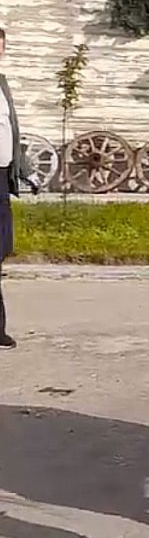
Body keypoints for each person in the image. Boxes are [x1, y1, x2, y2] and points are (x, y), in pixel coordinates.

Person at [0, 27, 39, 351]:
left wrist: (23, 167)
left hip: (1, 176)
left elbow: (11, 128)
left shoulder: (2, 83)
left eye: (0, 49)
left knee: (0, 249)